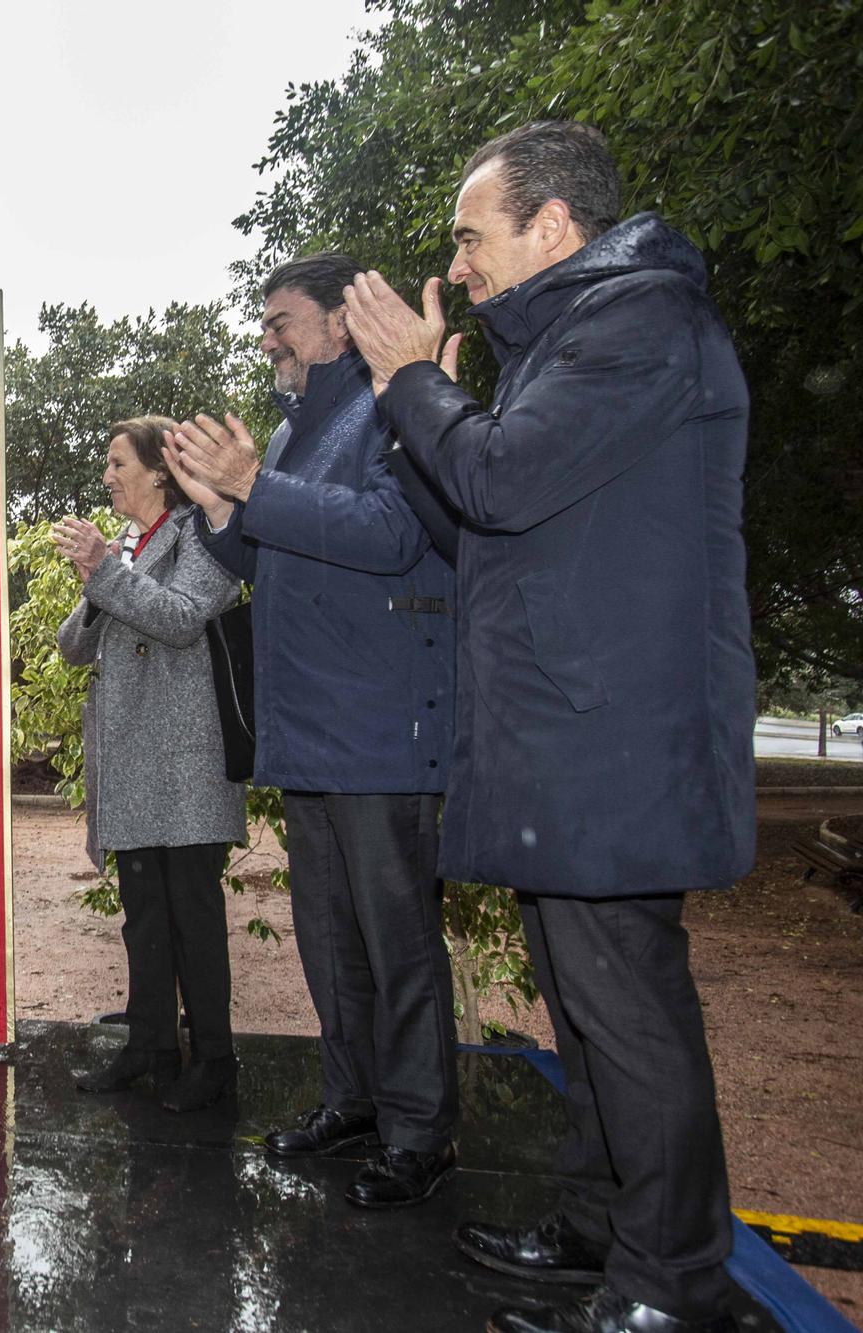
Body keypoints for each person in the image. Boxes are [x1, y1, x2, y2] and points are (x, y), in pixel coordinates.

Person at [344, 121, 754, 1333]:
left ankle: (670, 1284)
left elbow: (500, 478)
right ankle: (596, 1229)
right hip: (565, 741)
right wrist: (402, 392)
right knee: (584, 1009)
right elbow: (474, 511)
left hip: (612, 742)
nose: (457, 264)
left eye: (472, 237)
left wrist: (419, 379)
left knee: (627, 1013)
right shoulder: (568, 341)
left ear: (552, 226)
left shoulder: (637, 325)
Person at [161, 254, 460, 1209]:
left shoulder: (392, 410)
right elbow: (264, 553)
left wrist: (254, 482)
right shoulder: (295, 434)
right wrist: (219, 505)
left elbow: (389, 535)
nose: (268, 338)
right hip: (309, 730)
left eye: (282, 320)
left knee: (398, 938)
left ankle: (419, 1132)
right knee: (329, 936)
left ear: (338, 324)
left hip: (377, 728)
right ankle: (353, 1101)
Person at [54, 417, 247, 1112]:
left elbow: (182, 617)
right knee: (143, 913)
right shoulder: (129, 545)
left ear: (158, 470)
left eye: (116, 463)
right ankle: (150, 1045)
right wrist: (98, 573)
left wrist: (110, 571)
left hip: (185, 764)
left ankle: (216, 1058)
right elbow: (73, 645)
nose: (106, 476)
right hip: (132, 763)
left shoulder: (205, 533)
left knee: (193, 912)